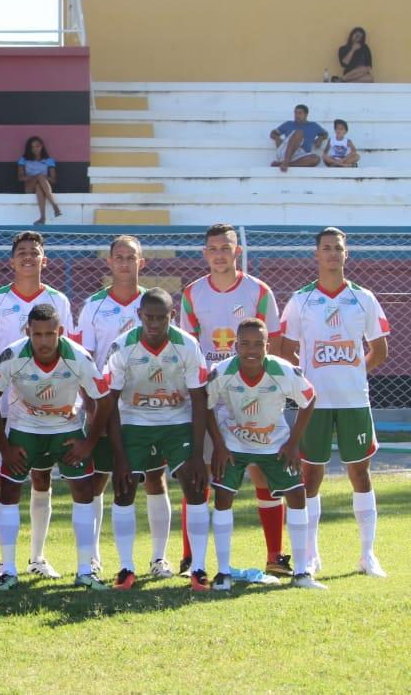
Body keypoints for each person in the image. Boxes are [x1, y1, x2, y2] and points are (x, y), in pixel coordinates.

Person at [180, 222, 290, 577]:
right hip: (213, 397)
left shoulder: (259, 291)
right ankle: (190, 559)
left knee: (262, 474)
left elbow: (274, 345)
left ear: (237, 251)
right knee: (199, 474)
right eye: (213, 249)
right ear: (204, 254)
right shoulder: (192, 293)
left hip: (253, 396)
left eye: (225, 248)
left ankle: (274, 556)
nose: (219, 255)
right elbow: (189, 350)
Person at [279, 227, 389, 578]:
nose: (331, 253)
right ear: (316, 254)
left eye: (337, 248)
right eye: (326, 248)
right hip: (315, 404)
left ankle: (367, 555)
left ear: (346, 254)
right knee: (311, 475)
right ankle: (312, 555)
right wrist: (307, 381)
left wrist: (354, 371)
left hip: (354, 400)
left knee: (360, 472)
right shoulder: (301, 300)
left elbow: (380, 350)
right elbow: (284, 349)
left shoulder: (363, 298)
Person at [0, 303, 112, 591]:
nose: (43, 341)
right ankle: (8, 570)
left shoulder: (78, 356)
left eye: (50, 334)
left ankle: (85, 570)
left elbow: (104, 400)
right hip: (24, 430)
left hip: (65, 431)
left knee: (84, 491)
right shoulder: (12, 355)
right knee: (9, 492)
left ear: (60, 331)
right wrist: (4, 446)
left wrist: (88, 443)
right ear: (27, 331)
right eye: (37, 334)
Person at [93, 289, 212, 591]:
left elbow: (199, 399)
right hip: (135, 421)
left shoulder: (187, 345)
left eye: (162, 317)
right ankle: (126, 568)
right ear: (139, 316)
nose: (155, 323)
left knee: (195, 485)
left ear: (173, 316)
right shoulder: (122, 346)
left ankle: (197, 568)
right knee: (124, 488)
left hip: (177, 421)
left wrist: (198, 455)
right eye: (149, 317)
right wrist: (119, 457)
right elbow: (110, 402)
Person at [0, 230, 73, 580]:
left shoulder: (58, 300)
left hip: (47, 405)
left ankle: (37, 556)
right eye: (22, 252)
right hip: (8, 406)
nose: (28, 257)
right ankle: (6, 561)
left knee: (42, 477)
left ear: (44, 259)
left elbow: (68, 352)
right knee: (9, 479)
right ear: (12, 260)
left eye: (35, 252)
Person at [207, 318, 323, 591]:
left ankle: (302, 572)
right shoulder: (221, 372)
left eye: (258, 344)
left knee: (297, 494)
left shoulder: (283, 371)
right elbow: (205, 404)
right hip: (234, 444)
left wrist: (293, 443)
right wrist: (219, 445)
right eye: (245, 343)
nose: (251, 350)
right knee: (223, 496)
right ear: (235, 346)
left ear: (267, 347)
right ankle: (223, 573)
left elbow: (309, 399)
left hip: (275, 444)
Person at [69, 234, 157, 576]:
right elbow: (84, 362)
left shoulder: (153, 303)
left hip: (145, 406)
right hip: (105, 406)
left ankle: (157, 558)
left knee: (152, 479)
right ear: (109, 262)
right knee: (98, 480)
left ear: (141, 262)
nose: (124, 263)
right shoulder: (94, 306)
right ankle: (92, 558)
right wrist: (92, 407)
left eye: (130, 257)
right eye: (118, 257)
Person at [270, 104, 326, 173]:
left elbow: (325, 134)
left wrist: (320, 138)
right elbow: (273, 133)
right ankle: (286, 162)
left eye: (300, 113)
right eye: (295, 113)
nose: (297, 115)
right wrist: (277, 138)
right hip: (287, 152)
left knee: (316, 159)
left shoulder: (314, 126)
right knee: (299, 133)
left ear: (306, 115)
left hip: (300, 155)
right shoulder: (288, 124)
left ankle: (283, 164)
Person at [18, 136, 61, 225]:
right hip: (29, 187)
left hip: (43, 186)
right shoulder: (23, 159)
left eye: (37, 146)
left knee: (39, 186)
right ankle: (55, 206)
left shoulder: (49, 160)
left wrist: (43, 177)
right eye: (32, 147)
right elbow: (20, 177)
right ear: (29, 148)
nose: (35, 149)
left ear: (42, 146)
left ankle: (42, 218)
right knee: (40, 177)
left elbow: (53, 180)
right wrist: (34, 176)